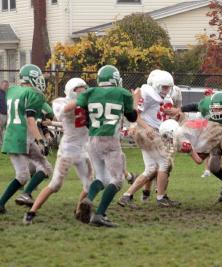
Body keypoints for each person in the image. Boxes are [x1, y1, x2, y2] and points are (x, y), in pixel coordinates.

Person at [64, 65, 138, 227]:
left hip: (93, 139)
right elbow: (132, 117)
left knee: (101, 179)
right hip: (110, 139)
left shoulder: (89, 93)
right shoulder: (122, 93)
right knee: (117, 181)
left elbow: (80, 114)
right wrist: (134, 101)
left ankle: (89, 199)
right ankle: (99, 214)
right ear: (115, 79)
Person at [23, 78, 93, 224]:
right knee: (55, 185)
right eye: (78, 89)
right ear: (71, 91)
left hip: (82, 149)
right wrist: (83, 99)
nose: (82, 91)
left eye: (83, 88)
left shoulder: (89, 102)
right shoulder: (61, 102)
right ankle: (31, 212)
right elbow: (64, 111)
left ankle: (78, 210)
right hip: (67, 150)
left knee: (89, 185)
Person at [118, 70, 180, 208]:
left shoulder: (164, 98)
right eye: (164, 87)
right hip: (148, 132)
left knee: (151, 168)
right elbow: (135, 115)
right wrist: (146, 127)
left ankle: (127, 196)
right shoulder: (147, 94)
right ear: (156, 85)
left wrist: (173, 113)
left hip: (156, 132)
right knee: (165, 162)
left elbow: (161, 114)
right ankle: (160, 197)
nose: (167, 90)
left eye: (168, 87)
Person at [0, 64, 52, 214]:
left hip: (10, 137)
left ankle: (2, 203)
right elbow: (30, 121)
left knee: (22, 175)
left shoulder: (12, 90)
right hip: (24, 137)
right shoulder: (34, 93)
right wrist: (40, 141)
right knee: (46, 168)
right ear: (31, 78)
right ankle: (26, 194)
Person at [0, 80, 9, 146]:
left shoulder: (7, 93)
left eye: (7, 85)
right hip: (1, 114)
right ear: (1, 85)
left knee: (6, 130)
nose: (6, 87)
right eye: (5, 85)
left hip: (7, 114)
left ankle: (5, 143)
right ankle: (1, 143)